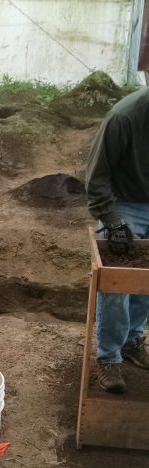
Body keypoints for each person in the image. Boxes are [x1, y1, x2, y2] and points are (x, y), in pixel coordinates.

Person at [86, 86, 149, 394]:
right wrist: (112, 220)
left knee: (147, 282)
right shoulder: (123, 118)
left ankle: (133, 340)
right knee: (116, 282)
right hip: (123, 201)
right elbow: (96, 176)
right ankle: (109, 356)